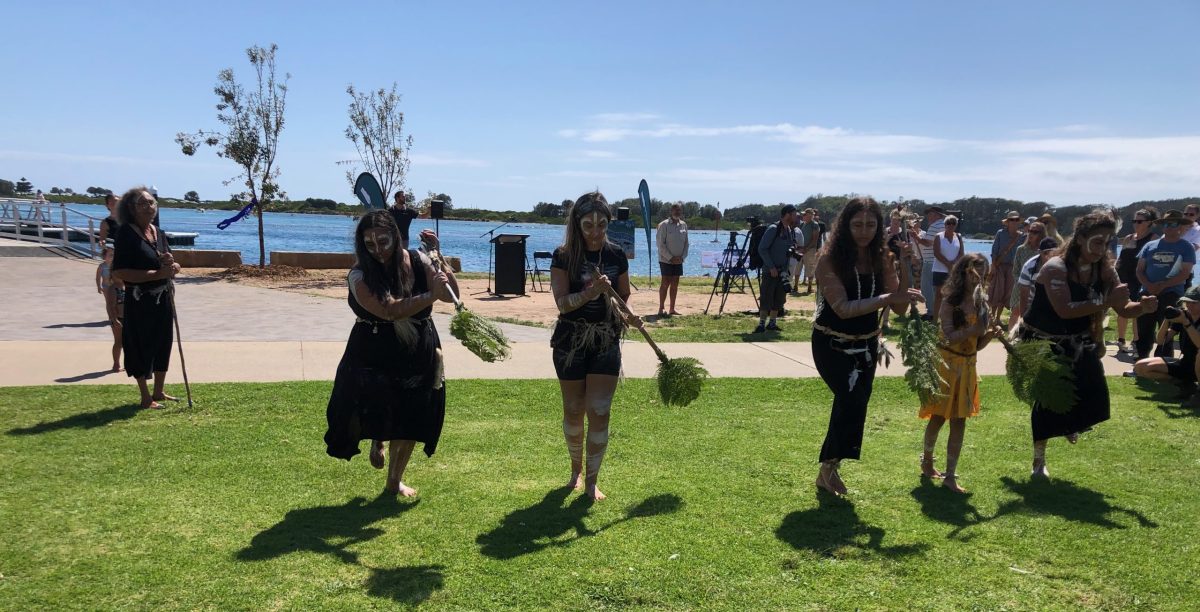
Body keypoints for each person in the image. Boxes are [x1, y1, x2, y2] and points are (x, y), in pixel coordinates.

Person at [323, 211, 457, 496]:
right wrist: (430, 296)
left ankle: (394, 481)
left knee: (411, 413)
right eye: (370, 245)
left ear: (396, 236)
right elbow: (389, 310)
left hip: (417, 345)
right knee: (372, 405)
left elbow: (450, 295)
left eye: (383, 241)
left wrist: (438, 258)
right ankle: (377, 439)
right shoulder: (358, 275)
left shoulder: (419, 260)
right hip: (372, 347)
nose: (378, 250)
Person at [1018, 210, 1155, 479]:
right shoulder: (1055, 267)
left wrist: (1142, 307)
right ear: (1080, 239)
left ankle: (1071, 422)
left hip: (1079, 341)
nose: (1101, 249)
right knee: (1048, 401)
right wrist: (1107, 301)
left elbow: (1123, 307)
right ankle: (1038, 462)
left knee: (1095, 393)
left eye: (1106, 243)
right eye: (1096, 242)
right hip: (1045, 342)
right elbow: (1065, 310)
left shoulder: (1103, 267)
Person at [811, 197, 923, 496]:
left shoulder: (881, 257)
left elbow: (898, 308)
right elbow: (843, 308)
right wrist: (887, 299)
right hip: (831, 343)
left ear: (879, 226)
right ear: (845, 225)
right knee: (849, 398)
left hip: (867, 344)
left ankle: (829, 468)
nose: (864, 231)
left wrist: (907, 265)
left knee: (857, 402)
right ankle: (828, 467)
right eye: (857, 224)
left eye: (871, 225)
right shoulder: (828, 258)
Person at [550, 191, 640, 501]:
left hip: (605, 339)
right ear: (577, 223)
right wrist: (591, 292)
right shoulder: (563, 256)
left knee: (599, 411)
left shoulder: (616, 255)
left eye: (602, 224)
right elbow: (562, 304)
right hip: (570, 340)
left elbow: (624, 293)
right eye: (588, 224)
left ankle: (592, 480)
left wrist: (625, 313)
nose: (596, 232)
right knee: (574, 410)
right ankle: (575, 471)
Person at [919, 254, 1000, 493]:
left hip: (968, 366)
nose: (978, 277)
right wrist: (973, 329)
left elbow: (978, 345)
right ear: (963, 272)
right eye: (974, 272)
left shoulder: (982, 303)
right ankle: (927, 460)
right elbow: (947, 337)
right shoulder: (950, 301)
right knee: (938, 416)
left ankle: (951, 475)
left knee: (960, 420)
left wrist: (989, 335)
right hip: (947, 365)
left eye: (982, 272)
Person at [109, 187, 180, 409]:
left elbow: (172, 264)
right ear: (131, 208)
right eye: (143, 203)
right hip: (139, 300)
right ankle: (145, 396)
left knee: (163, 341)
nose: (149, 207)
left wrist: (173, 265)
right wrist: (157, 274)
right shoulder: (126, 234)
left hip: (163, 297)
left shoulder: (158, 233)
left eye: (151, 203)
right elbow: (120, 271)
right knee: (139, 343)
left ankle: (159, 391)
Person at [1134, 210, 1194, 360]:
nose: (1169, 227)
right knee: (1143, 328)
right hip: (1147, 292)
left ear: (1180, 227)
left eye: (1173, 224)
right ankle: (1141, 360)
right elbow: (1140, 270)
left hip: (1171, 293)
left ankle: (1163, 362)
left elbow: (1185, 273)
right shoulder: (1150, 245)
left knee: (1166, 328)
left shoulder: (1186, 247)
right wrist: (1149, 285)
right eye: (1166, 223)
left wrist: (1164, 285)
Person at [1131, 286, 1200, 404]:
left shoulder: (1185, 320)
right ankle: (1186, 384)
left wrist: (1186, 323)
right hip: (1187, 363)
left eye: (1193, 302)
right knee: (1140, 367)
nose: (1189, 306)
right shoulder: (1184, 316)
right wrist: (1168, 319)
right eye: (1187, 302)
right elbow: (1160, 340)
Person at [1115, 209, 1159, 353]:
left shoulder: (1153, 238)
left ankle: (1136, 340)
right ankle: (1121, 339)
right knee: (1121, 309)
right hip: (1124, 277)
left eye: (1139, 221)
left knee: (1138, 310)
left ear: (1149, 223)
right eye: (1134, 221)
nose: (1136, 224)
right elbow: (1121, 258)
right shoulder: (1128, 238)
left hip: (1140, 277)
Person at [755, 204, 800, 333]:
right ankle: (762, 324)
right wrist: (771, 267)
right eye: (794, 214)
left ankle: (772, 323)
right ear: (787, 214)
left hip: (783, 272)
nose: (796, 217)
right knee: (766, 298)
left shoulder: (789, 230)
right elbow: (762, 249)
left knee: (779, 299)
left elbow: (788, 248)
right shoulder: (773, 229)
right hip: (770, 271)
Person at [1009, 237, 1059, 332]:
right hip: (1033, 303)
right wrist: (1023, 318)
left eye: (1054, 253)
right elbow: (1024, 294)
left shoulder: (1063, 265)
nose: (1050, 257)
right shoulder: (1029, 266)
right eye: (1046, 253)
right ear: (1039, 252)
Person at [1006, 222, 1045, 330]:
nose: (1031, 234)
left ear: (1041, 234)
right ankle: (1010, 340)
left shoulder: (1044, 252)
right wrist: (1023, 283)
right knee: (1015, 314)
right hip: (1019, 288)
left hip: (1036, 290)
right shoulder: (1021, 249)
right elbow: (1015, 271)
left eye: (1035, 232)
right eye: (1030, 231)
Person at [988, 211, 1024, 319]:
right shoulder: (1000, 233)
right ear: (1007, 222)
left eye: (1016, 220)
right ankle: (992, 317)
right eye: (1012, 220)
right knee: (997, 291)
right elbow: (994, 250)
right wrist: (993, 266)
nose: (1014, 222)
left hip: (1013, 268)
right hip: (999, 265)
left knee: (1007, 293)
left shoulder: (1022, 236)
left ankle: (998, 318)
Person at [655, 202, 688, 316]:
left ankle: (672, 309)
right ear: (671, 211)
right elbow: (660, 245)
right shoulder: (664, 225)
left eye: (679, 210)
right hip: (666, 260)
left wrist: (682, 258)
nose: (677, 212)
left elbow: (686, 244)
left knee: (675, 284)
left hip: (679, 261)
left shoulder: (684, 225)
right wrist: (671, 258)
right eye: (675, 210)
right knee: (665, 283)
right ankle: (661, 308)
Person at [96, 245, 125, 372]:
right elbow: (110, 306)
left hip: (128, 318)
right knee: (118, 342)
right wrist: (114, 319)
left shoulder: (127, 287)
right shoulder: (113, 289)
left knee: (127, 343)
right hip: (118, 319)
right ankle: (116, 364)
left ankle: (128, 363)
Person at [930, 215, 964, 323]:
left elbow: (961, 253)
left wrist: (953, 265)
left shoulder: (958, 236)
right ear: (945, 225)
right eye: (948, 223)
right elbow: (936, 253)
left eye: (953, 223)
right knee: (939, 295)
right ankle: (935, 320)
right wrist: (948, 264)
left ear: (956, 225)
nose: (950, 225)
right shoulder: (938, 236)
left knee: (952, 296)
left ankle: (949, 320)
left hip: (954, 271)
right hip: (940, 270)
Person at [916, 206, 948, 317]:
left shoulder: (934, 226)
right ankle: (938, 311)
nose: (928, 217)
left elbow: (927, 243)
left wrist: (916, 237)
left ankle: (931, 312)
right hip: (941, 262)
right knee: (938, 288)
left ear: (936, 214)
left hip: (930, 261)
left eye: (930, 214)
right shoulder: (945, 225)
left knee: (927, 287)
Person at [797, 208, 821, 293]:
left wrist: (806, 248)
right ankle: (795, 286)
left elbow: (815, 239)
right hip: (801, 249)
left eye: (804, 215)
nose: (802, 216)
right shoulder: (802, 224)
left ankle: (809, 288)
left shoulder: (814, 225)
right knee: (797, 267)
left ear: (810, 215)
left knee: (810, 268)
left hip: (810, 250)